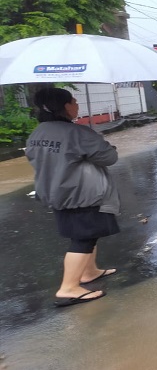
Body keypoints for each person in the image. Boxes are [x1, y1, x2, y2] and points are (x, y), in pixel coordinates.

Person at [25, 88, 120, 307]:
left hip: (55, 191)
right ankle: (68, 288)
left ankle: (89, 271)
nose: (77, 105)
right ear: (66, 106)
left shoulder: (38, 133)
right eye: (74, 101)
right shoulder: (77, 133)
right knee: (83, 238)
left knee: (85, 233)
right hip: (81, 193)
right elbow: (109, 157)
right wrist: (100, 142)